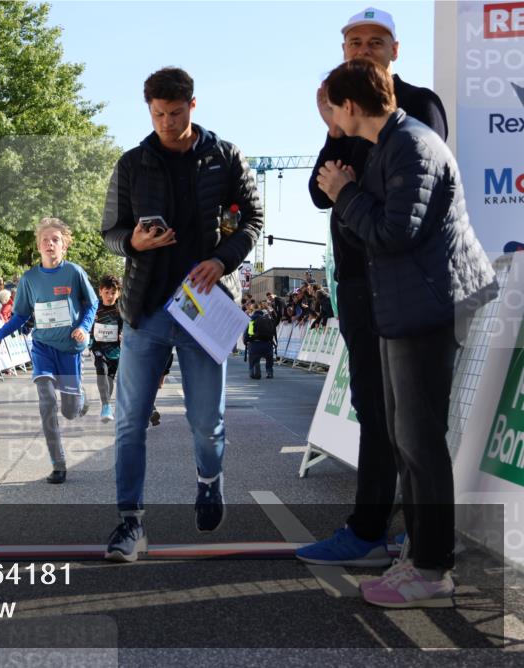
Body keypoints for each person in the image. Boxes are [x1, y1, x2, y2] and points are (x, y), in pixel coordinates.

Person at [312, 58, 495, 608]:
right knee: (407, 439)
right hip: (404, 307)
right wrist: (347, 194)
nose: (328, 120)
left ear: (348, 106)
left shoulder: (412, 144)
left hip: (425, 307)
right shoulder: (393, 142)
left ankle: (433, 569)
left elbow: (395, 232)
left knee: (420, 442)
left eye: (329, 109)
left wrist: (345, 192)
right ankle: (418, 558)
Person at [298, 6, 454, 573]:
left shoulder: (416, 106)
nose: (364, 49)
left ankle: (407, 545)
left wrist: (347, 164)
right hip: (359, 282)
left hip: (405, 283)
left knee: (410, 425)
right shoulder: (342, 110)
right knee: (375, 408)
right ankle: (378, 533)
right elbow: (320, 193)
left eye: (375, 40)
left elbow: (401, 197)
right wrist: (336, 129)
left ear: (395, 50)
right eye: (354, 41)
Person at [101, 67, 262, 562]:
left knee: (205, 422)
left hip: (206, 308)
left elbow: (253, 220)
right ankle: (130, 523)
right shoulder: (132, 163)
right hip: (146, 309)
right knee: (129, 421)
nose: (166, 123)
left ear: (193, 105)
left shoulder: (227, 155)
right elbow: (109, 231)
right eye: (157, 114)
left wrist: (222, 259)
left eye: (174, 113)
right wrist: (133, 241)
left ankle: (209, 481)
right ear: (148, 109)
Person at [0, 218, 97, 485]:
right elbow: (21, 314)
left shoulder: (74, 273)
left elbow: (91, 304)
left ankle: (81, 401)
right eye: (45, 240)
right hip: (43, 346)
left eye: (55, 239)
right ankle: (58, 464)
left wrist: (83, 326)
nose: (50, 244)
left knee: (70, 410)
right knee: (46, 401)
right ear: (38, 245)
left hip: (69, 348)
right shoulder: (29, 278)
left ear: (64, 245)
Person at [91, 275, 123, 422]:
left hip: (115, 351)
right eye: (107, 292)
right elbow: (87, 323)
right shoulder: (94, 307)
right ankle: (105, 405)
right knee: (101, 371)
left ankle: (106, 404)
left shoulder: (121, 310)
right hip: (98, 347)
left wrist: (123, 334)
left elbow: (127, 326)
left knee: (109, 379)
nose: (110, 296)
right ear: (100, 292)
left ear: (119, 293)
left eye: (113, 292)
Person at [245, 303, 276, 379]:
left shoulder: (252, 320)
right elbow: (273, 333)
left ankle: (252, 371)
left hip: (255, 344)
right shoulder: (268, 320)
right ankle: (269, 372)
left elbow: (249, 333)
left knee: (253, 357)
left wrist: (247, 341)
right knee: (269, 359)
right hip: (268, 345)